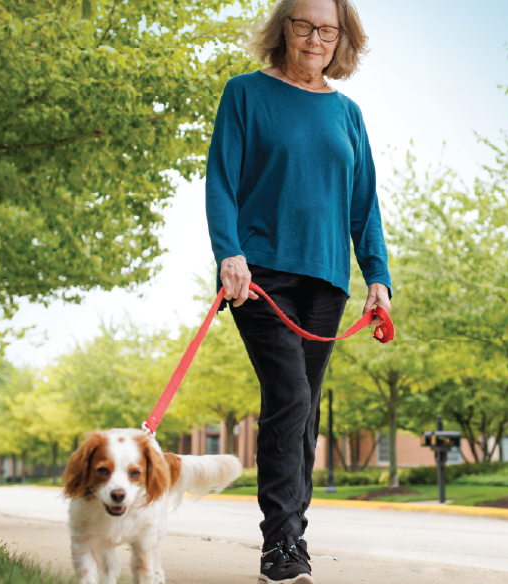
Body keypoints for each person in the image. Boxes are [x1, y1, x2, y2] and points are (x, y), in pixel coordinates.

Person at [204, 0, 391, 582]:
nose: (315, 38)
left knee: (303, 412)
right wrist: (227, 253)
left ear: (343, 39)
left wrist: (377, 276)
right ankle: (281, 546)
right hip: (259, 275)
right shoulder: (245, 94)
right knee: (289, 397)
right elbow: (222, 179)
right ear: (283, 28)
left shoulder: (348, 114)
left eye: (328, 30)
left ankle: (291, 538)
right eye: (304, 25)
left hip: (327, 280)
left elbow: (365, 206)